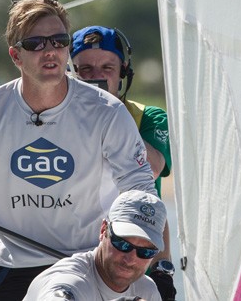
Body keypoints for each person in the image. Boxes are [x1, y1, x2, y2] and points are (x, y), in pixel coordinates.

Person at [0, 0, 157, 301]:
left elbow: (141, 190)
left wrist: (151, 265)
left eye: (59, 40)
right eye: (36, 44)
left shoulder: (107, 112)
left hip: (86, 270)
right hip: (15, 270)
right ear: (16, 56)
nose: (50, 50)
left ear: (68, 49)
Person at [70, 26, 176, 300]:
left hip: (135, 263)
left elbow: (153, 167)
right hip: (77, 260)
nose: (97, 77)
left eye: (107, 68)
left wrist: (109, 113)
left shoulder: (149, 117)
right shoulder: (58, 120)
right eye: (86, 70)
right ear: (70, 73)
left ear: (123, 73)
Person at [24, 190, 165, 301]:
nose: (130, 259)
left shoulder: (147, 290)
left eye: (145, 252)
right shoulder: (71, 281)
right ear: (103, 230)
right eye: (122, 244)